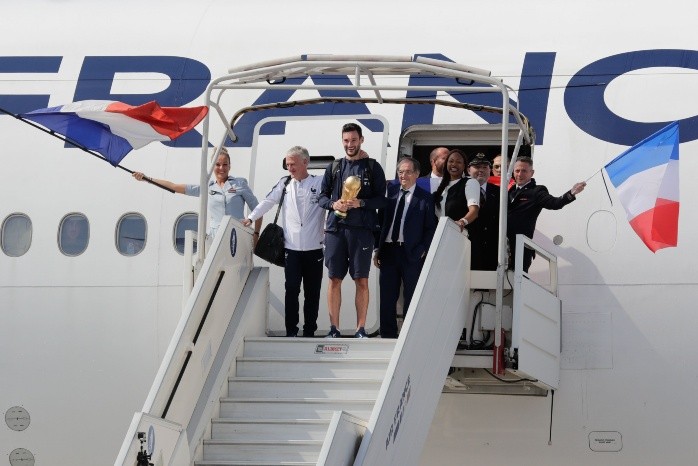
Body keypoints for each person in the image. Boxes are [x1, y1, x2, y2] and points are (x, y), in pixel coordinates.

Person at [243, 146, 324, 337]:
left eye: (293, 164)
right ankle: (291, 331)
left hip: (315, 249)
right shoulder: (285, 183)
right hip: (291, 249)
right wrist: (251, 218)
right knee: (292, 290)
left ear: (305, 162)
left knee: (312, 292)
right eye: (287, 164)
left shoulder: (320, 182)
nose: (290, 168)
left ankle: (310, 331)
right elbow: (268, 202)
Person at [318, 122, 387, 338]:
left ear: (361, 140)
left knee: (361, 280)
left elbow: (382, 200)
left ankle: (361, 329)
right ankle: (334, 329)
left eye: (354, 140)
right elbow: (321, 198)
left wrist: (361, 203)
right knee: (334, 279)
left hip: (362, 231)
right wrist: (334, 204)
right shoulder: (334, 167)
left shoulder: (373, 167)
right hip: (335, 230)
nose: (350, 144)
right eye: (346, 140)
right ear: (342, 141)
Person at [132, 147, 262, 239]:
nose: (221, 168)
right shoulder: (207, 188)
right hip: (216, 239)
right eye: (217, 164)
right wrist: (147, 179)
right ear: (212, 166)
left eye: (225, 164)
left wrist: (256, 235)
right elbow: (174, 187)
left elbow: (258, 210)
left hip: (237, 237)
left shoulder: (240, 184)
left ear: (229, 166)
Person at [374, 157, 436, 338]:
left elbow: (430, 228)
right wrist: (377, 248)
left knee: (412, 296)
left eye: (408, 172)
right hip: (388, 252)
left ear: (417, 174)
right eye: (400, 172)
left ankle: (409, 336)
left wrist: (422, 250)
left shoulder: (425, 198)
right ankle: (388, 336)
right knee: (387, 297)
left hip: (412, 254)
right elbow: (380, 222)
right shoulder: (390, 193)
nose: (403, 175)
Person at [508, 156, 586, 272]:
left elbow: (555, 203)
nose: (520, 174)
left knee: (518, 280)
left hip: (521, 248)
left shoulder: (537, 191)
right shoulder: (509, 191)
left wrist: (571, 193)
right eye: (517, 171)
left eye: (524, 171)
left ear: (531, 173)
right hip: (504, 246)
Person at [466, 153, 500, 271]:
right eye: (477, 166)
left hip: (492, 251)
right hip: (467, 249)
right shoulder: (459, 190)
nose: (481, 170)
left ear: (490, 170)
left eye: (485, 167)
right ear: (468, 170)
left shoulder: (500, 192)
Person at [433, 149, 480, 230]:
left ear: (464, 166)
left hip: (459, 233)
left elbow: (474, 211)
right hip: (441, 233)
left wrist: (462, 221)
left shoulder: (470, 182)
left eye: (458, 162)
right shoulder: (439, 186)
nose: (454, 164)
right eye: (451, 161)